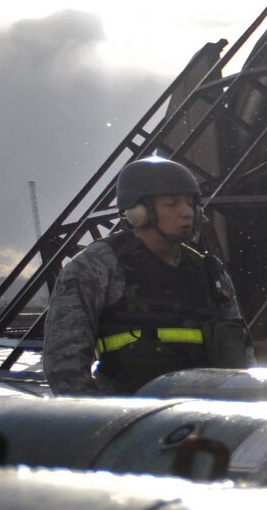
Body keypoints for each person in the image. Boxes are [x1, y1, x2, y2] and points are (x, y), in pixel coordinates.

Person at [43, 156, 252, 395]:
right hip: (130, 418)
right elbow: (63, 365)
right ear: (138, 213)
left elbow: (241, 355)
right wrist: (100, 421)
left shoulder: (209, 272)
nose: (187, 213)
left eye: (190, 203)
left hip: (202, 418)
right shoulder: (97, 266)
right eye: (172, 204)